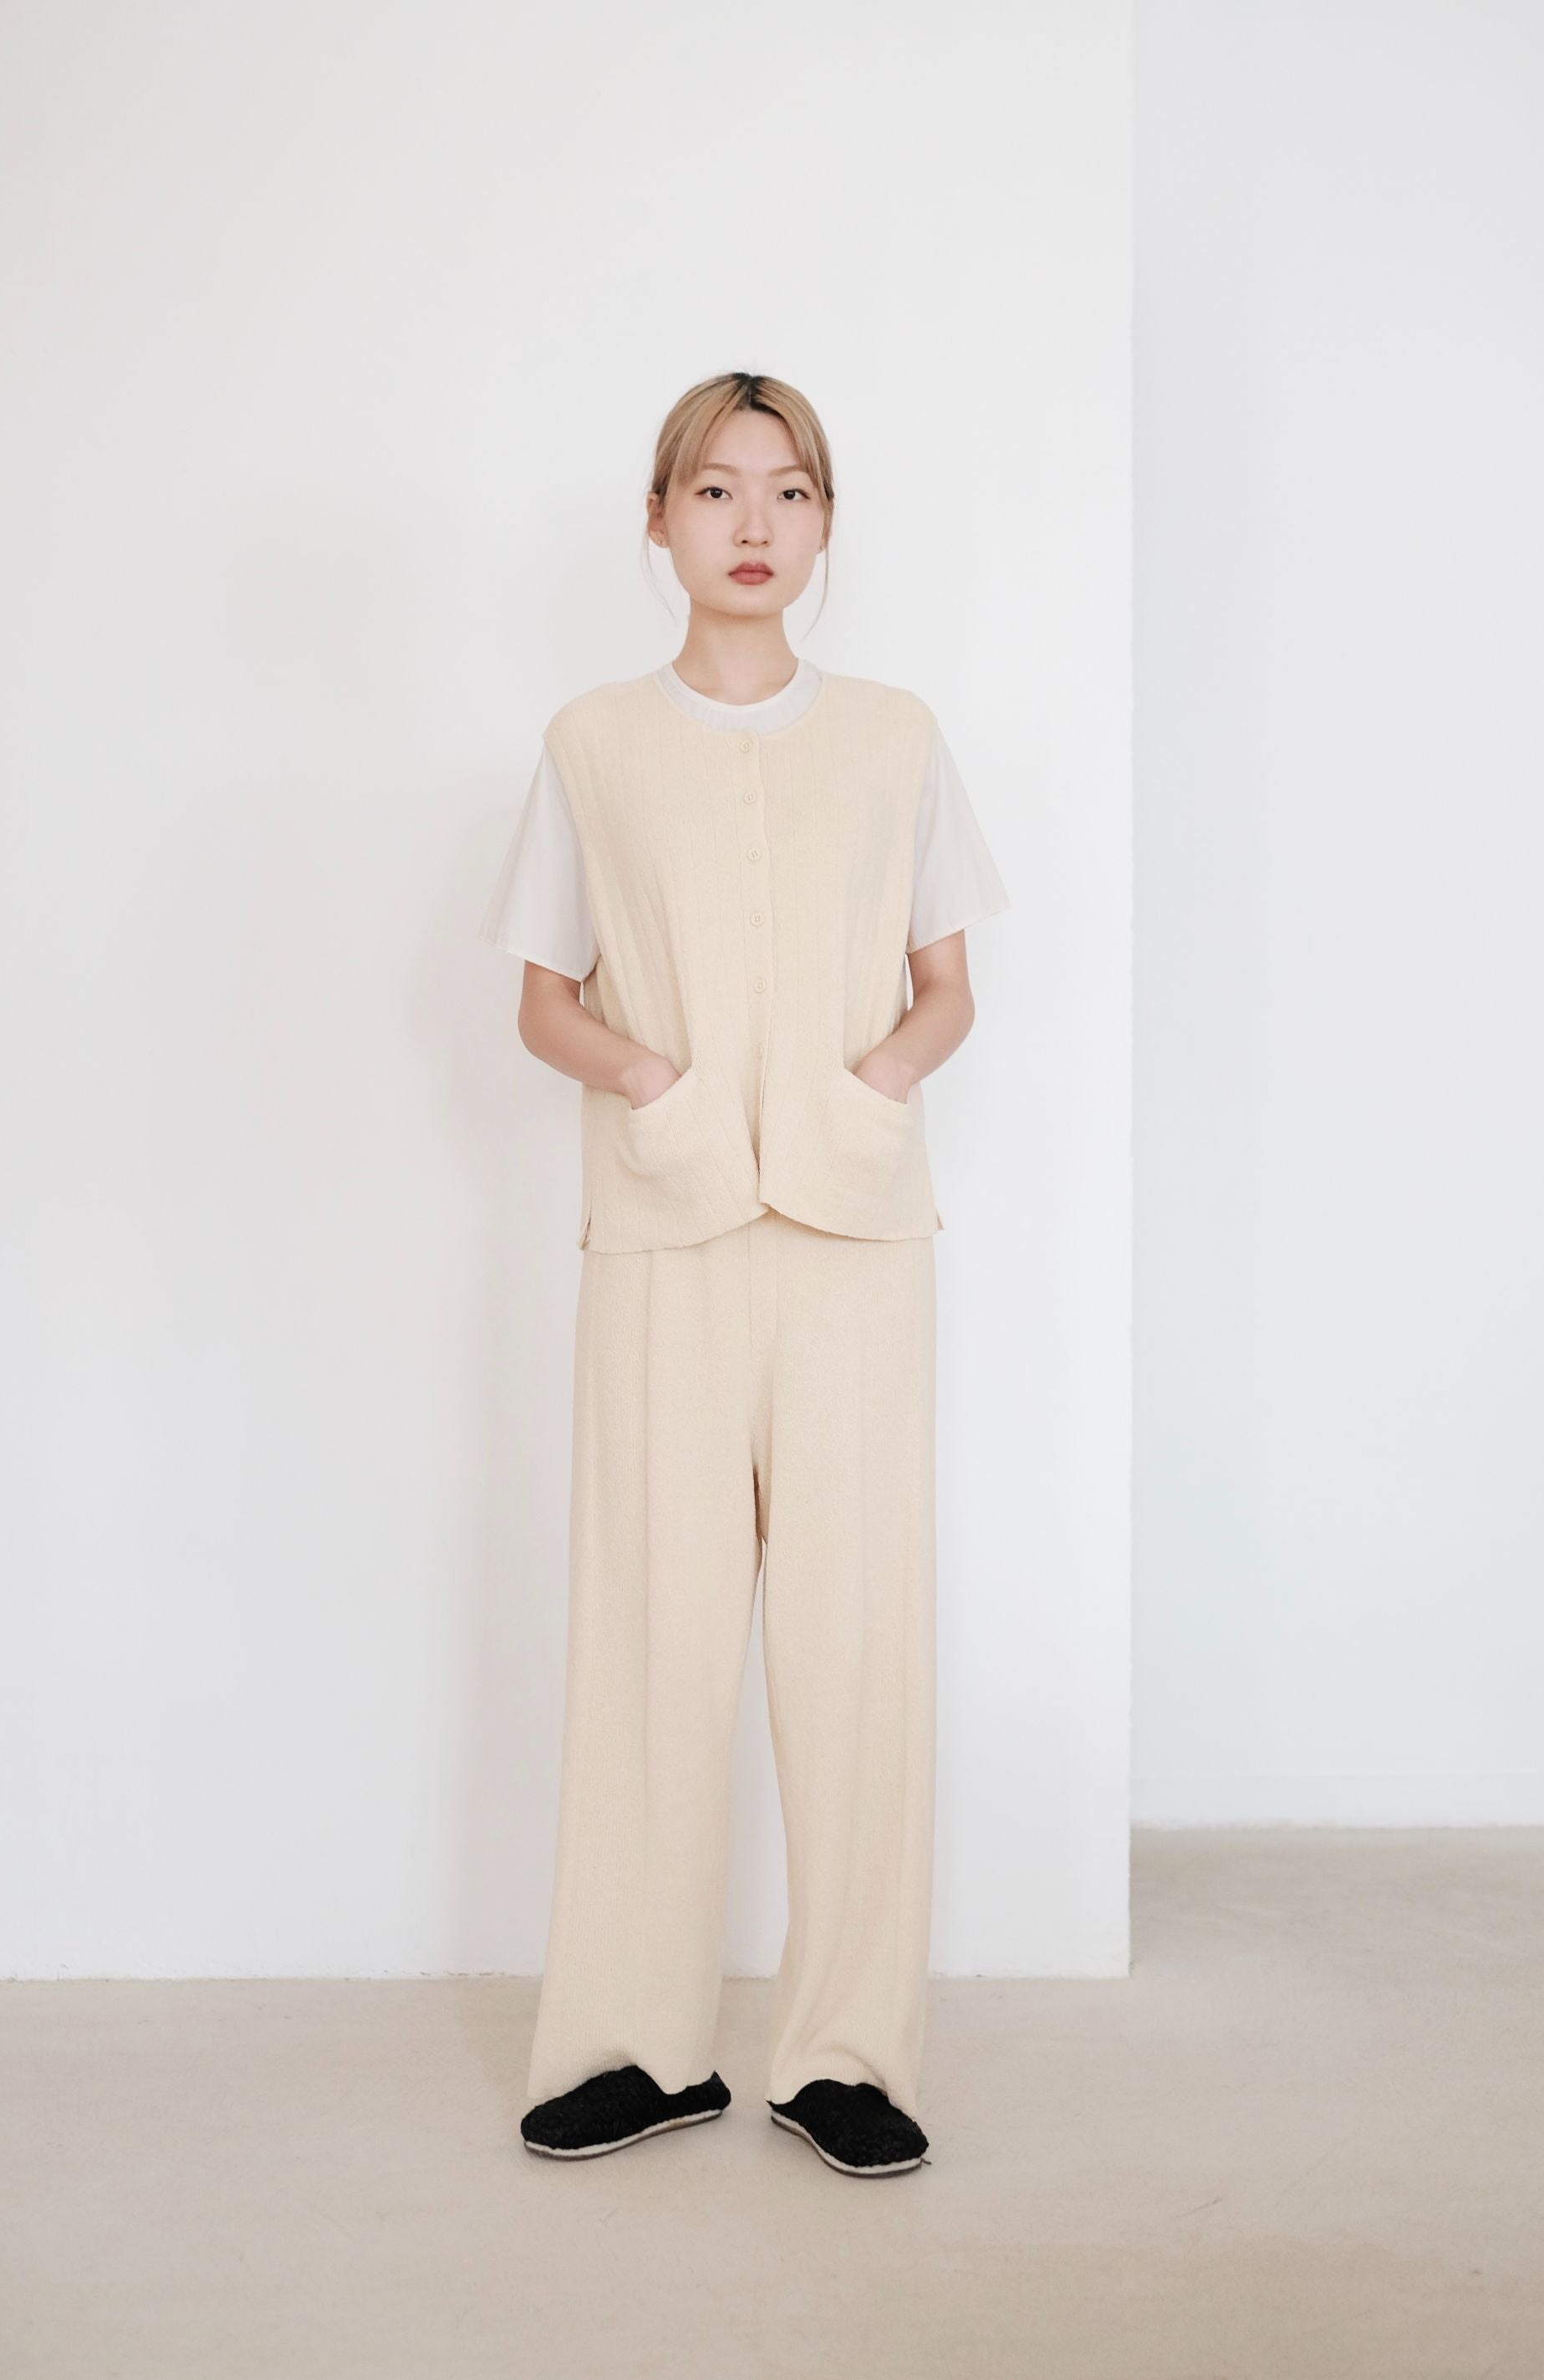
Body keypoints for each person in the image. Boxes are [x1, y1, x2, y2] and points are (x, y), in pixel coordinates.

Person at [479, 370, 1011, 2178]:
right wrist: (652, 1080)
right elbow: (542, 999)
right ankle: (635, 2046)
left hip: (857, 1239)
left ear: (827, 521)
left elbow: (950, 986)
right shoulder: (590, 743)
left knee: (858, 1643)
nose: (755, 523)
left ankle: (848, 2056)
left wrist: (875, 1084)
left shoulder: (899, 737)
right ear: (659, 520)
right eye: (716, 490)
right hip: (665, 1233)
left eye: (789, 491)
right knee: (651, 1630)